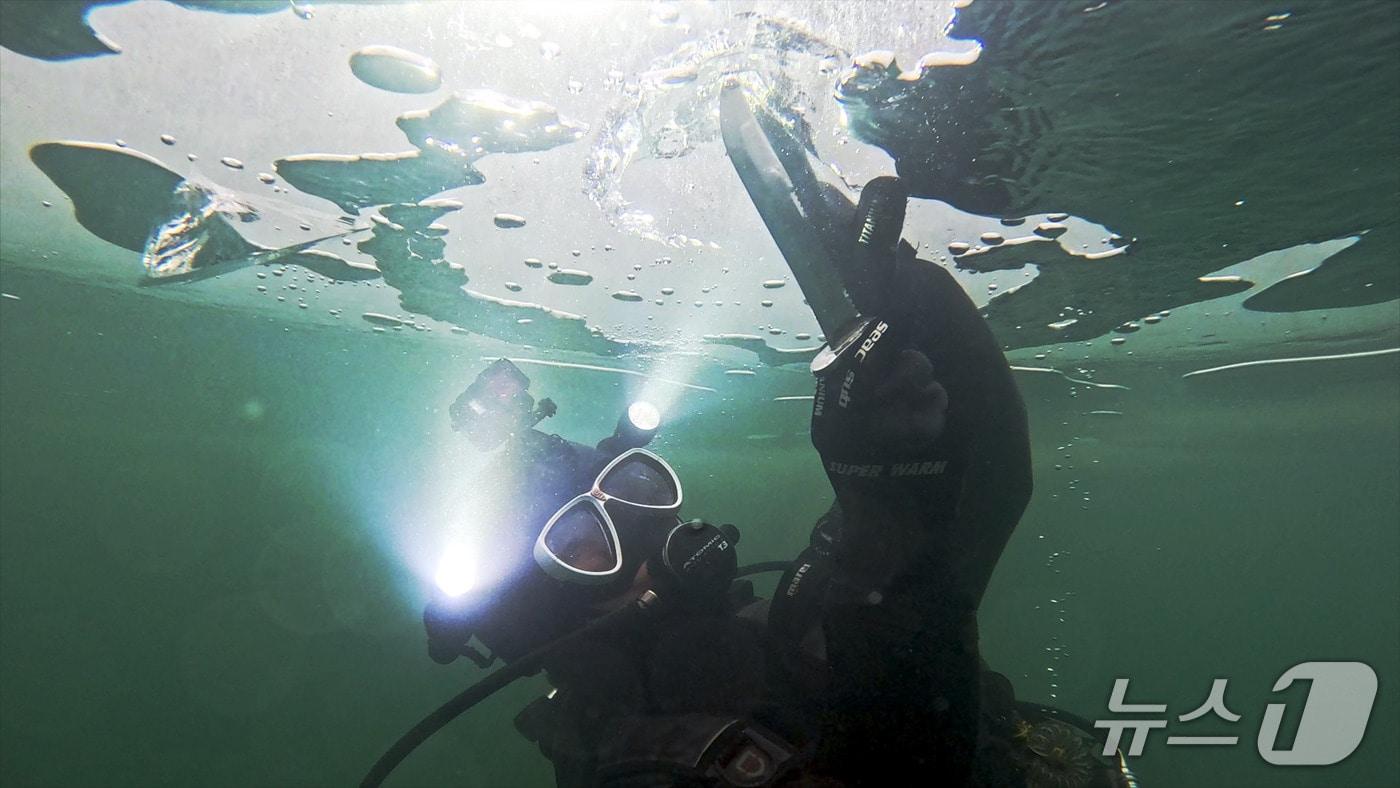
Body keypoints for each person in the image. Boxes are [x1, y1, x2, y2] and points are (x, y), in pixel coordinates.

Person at [406, 175, 1135, 788]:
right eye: (584, 540)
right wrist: (883, 526)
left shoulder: (774, 617)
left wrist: (915, 307)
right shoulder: (641, 766)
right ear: (546, 611)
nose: (637, 527)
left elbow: (984, 501)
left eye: (636, 488)